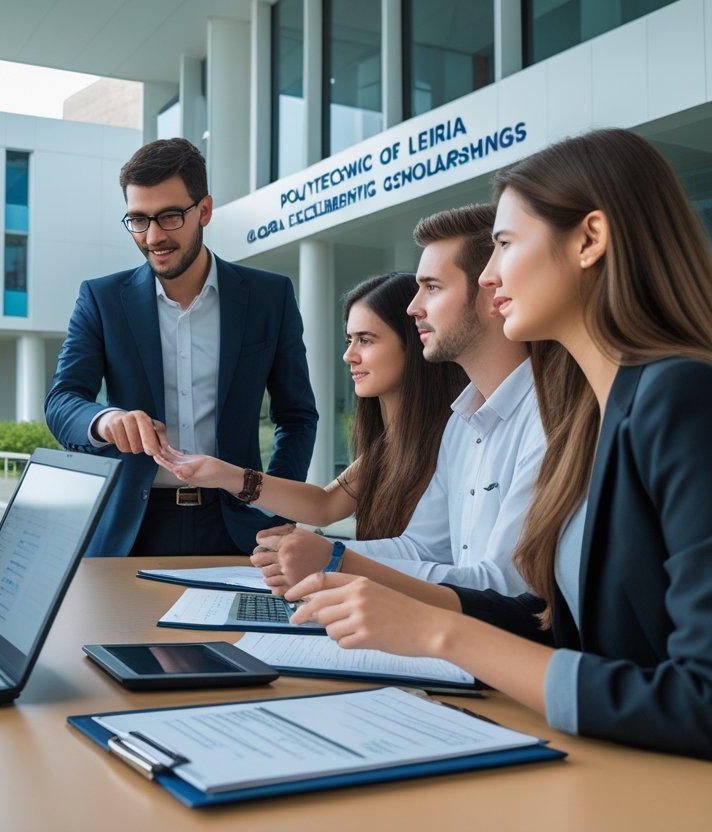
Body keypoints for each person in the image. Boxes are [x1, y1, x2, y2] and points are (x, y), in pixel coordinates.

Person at [285, 127, 712, 760]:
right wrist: (390, 605)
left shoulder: (679, 398)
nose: (488, 276)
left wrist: (439, 632)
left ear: (590, 239)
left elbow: (700, 700)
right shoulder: (593, 413)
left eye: (505, 245)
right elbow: (549, 622)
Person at [254, 204, 548, 595]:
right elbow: (422, 548)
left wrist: (334, 561)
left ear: (492, 292)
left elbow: (508, 589)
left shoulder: (547, 419)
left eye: (433, 287)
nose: (415, 307)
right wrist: (321, 553)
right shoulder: (461, 424)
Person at [45, 138, 318, 557]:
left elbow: (296, 416)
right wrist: (106, 420)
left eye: (170, 217)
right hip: (130, 532)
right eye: (138, 220)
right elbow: (62, 402)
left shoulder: (270, 297)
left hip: (240, 528)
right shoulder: (101, 299)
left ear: (204, 210)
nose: (153, 236)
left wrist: (276, 506)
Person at [154, 271, 465, 539]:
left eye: (366, 340)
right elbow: (324, 505)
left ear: (415, 341)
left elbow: (423, 554)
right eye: (349, 340)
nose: (349, 355)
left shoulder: (452, 437)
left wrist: (325, 551)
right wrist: (222, 474)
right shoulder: (391, 444)